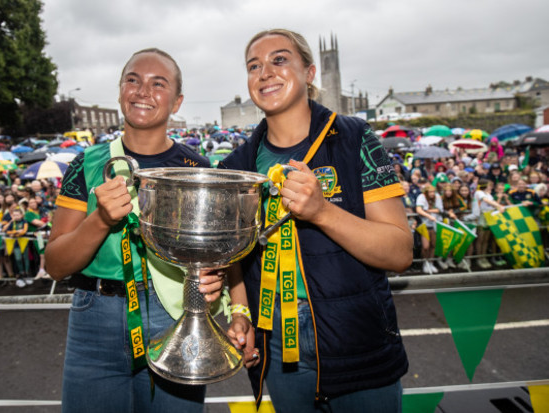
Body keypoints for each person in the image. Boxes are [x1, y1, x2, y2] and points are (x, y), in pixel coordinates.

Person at [219, 29, 411, 412]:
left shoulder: (355, 137)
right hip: (277, 348)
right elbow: (236, 259)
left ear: (309, 73)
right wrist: (240, 312)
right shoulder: (235, 167)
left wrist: (323, 212)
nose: (264, 72)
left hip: (357, 339)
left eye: (279, 59)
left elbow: (400, 252)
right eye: (253, 66)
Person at [45, 48, 225, 413]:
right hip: (94, 318)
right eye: (133, 80)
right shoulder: (88, 162)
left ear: (177, 102)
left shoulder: (197, 168)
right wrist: (100, 220)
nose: (143, 90)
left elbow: (217, 256)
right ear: (120, 91)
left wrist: (221, 289)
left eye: (158, 84)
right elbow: (55, 265)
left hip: (173, 314)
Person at [416, 184, 444, 274]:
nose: (432, 194)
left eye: (433, 192)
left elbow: (440, 210)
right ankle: (425, 263)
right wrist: (428, 215)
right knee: (426, 246)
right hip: (424, 224)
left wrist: (428, 211)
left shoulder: (437, 197)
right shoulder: (421, 197)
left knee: (433, 245)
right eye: (430, 192)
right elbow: (419, 210)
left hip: (434, 224)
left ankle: (431, 263)